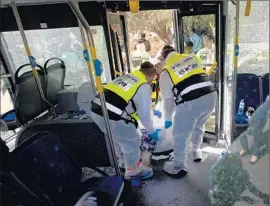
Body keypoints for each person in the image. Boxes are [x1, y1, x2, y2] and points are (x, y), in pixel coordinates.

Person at [90, 61, 160, 180]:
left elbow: (127, 101)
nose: (151, 82)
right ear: (152, 76)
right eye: (152, 79)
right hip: (112, 115)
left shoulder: (129, 77)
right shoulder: (144, 85)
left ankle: (123, 162)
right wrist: (151, 130)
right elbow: (144, 113)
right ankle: (133, 171)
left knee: (117, 139)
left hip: (96, 110)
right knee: (132, 140)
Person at [158, 46, 217, 178]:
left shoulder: (166, 72)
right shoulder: (192, 57)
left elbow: (168, 101)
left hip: (191, 101)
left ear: (163, 58)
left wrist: (167, 119)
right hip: (211, 96)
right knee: (199, 125)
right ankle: (196, 151)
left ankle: (179, 166)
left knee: (180, 134)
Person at [239, 96, 269, 164]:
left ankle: (255, 154)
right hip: (251, 118)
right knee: (242, 135)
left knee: (256, 136)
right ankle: (245, 148)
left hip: (259, 119)